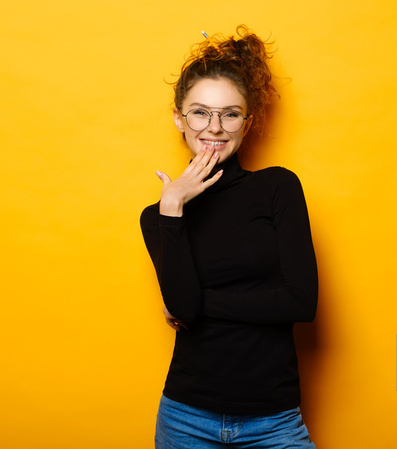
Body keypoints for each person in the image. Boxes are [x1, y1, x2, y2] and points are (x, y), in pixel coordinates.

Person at [140, 25, 318, 448]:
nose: (215, 128)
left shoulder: (277, 188)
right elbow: (182, 306)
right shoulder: (158, 216)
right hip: (184, 418)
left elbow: (300, 302)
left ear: (247, 121)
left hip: (273, 420)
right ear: (179, 119)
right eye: (201, 112)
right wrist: (172, 208)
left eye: (230, 113)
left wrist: (199, 304)